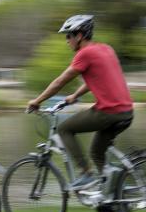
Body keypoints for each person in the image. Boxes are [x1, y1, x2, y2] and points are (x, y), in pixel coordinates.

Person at [27, 15, 134, 190]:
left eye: (69, 35)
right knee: (97, 151)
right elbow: (98, 78)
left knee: (64, 129)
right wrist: (75, 95)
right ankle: (113, 195)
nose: (66, 40)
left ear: (80, 35)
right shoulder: (105, 49)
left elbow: (60, 82)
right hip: (126, 112)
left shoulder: (84, 54)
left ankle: (85, 174)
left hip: (109, 112)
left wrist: (37, 101)